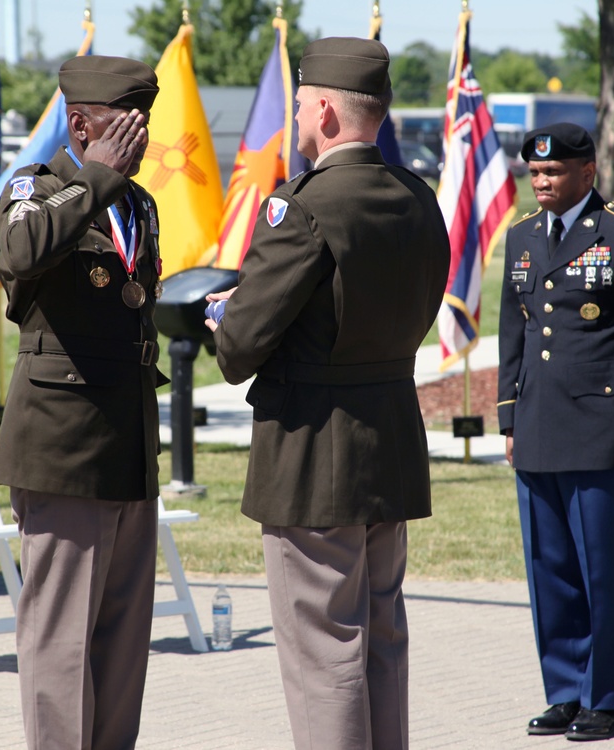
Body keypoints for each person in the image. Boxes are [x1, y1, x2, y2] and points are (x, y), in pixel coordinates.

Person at [205, 37, 450, 750]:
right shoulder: (417, 199)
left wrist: (227, 311)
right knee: (381, 642)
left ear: (325, 111)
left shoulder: (302, 209)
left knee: (325, 656)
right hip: (391, 445)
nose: (299, 118)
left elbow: (237, 349)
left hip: (313, 454)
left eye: (303, 105)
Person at [0, 55, 165, 750]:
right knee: (60, 646)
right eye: (126, 126)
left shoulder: (137, 204)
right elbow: (19, 250)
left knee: (122, 648)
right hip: (61, 453)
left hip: (127, 449)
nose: (139, 141)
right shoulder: (40, 186)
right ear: (80, 122)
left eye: (145, 125)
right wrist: (96, 179)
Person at [497, 122, 614, 741]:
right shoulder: (522, 236)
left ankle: (605, 697)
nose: (542, 181)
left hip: (605, 428)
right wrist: (508, 416)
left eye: (553, 172)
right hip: (539, 423)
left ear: (588, 171)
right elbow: (514, 333)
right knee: (549, 569)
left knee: (604, 570)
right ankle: (565, 692)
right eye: (535, 172)